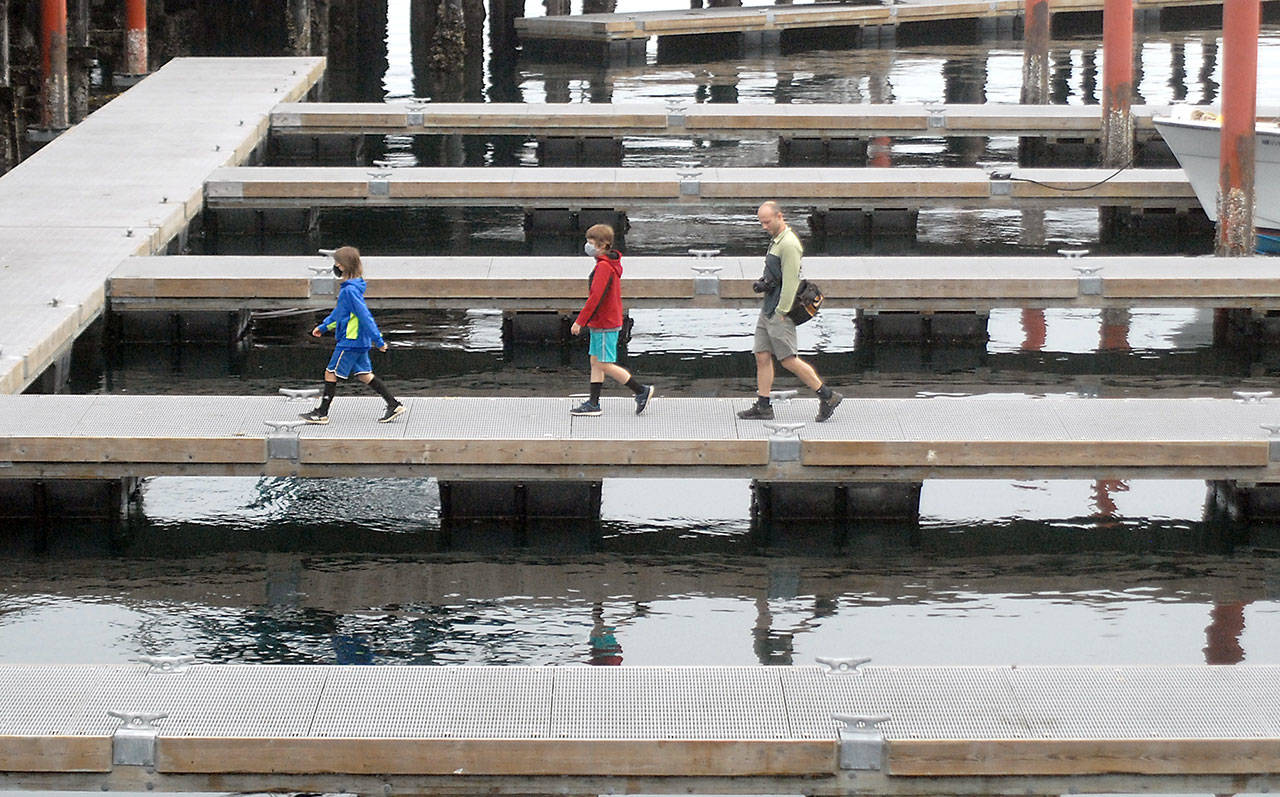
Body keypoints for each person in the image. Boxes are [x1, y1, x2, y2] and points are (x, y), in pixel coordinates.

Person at [737, 201, 843, 423]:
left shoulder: (789, 244)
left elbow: (792, 282)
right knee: (762, 356)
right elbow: (778, 277)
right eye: (761, 223)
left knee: (788, 359)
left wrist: (783, 310)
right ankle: (763, 405)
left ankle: (827, 395)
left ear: (779, 216)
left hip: (779, 312)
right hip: (768, 309)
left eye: (767, 222)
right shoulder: (776, 241)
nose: (764, 226)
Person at [300, 246, 405, 425]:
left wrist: (378, 340)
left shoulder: (349, 291)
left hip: (351, 341)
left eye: (336, 264)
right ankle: (393, 404)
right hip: (358, 340)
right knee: (364, 374)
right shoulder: (355, 285)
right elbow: (341, 314)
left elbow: (365, 317)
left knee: (330, 373)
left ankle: (322, 413)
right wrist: (324, 327)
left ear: (341, 266)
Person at [569, 223, 656, 417]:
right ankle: (593, 403)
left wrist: (579, 321)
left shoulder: (604, 268)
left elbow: (595, 298)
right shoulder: (606, 264)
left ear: (603, 244)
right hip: (603, 322)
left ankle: (640, 390)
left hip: (604, 323)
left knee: (603, 364)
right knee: (595, 361)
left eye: (591, 242)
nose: (588, 246)